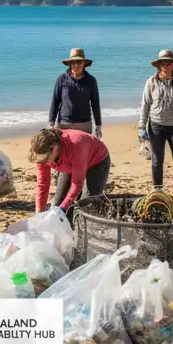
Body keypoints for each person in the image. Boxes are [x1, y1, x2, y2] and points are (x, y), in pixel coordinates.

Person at [48, 48, 102, 206]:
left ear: (84, 63)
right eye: (73, 62)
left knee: (81, 160)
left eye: (79, 62)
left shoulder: (91, 81)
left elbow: (95, 103)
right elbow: (55, 101)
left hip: (84, 124)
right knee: (63, 159)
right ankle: (62, 192)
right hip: (64, 124)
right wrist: (51, 122)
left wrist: (98, 125)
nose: (75, 65)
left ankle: (76, 195)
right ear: (69, 63)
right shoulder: (62, 79)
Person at [138, 49, 173, 191]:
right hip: (156, 126)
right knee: (157, 160)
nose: (166, 65)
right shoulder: (151, 82)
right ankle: (158, 190)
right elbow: (145, 105)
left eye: (169, 63)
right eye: (163, 63)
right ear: (159, 65)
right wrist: (141, 126)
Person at [30, 126, 111, 219]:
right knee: (57, 203)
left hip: (97, 161)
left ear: (54, 148)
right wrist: (39, 212)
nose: (45, 163)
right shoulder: (41, 155)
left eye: (46, 160)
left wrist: (63, 208)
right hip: (71, 164)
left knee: (86, 204)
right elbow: (43, 185)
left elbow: (77, 184)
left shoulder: (75, 145)